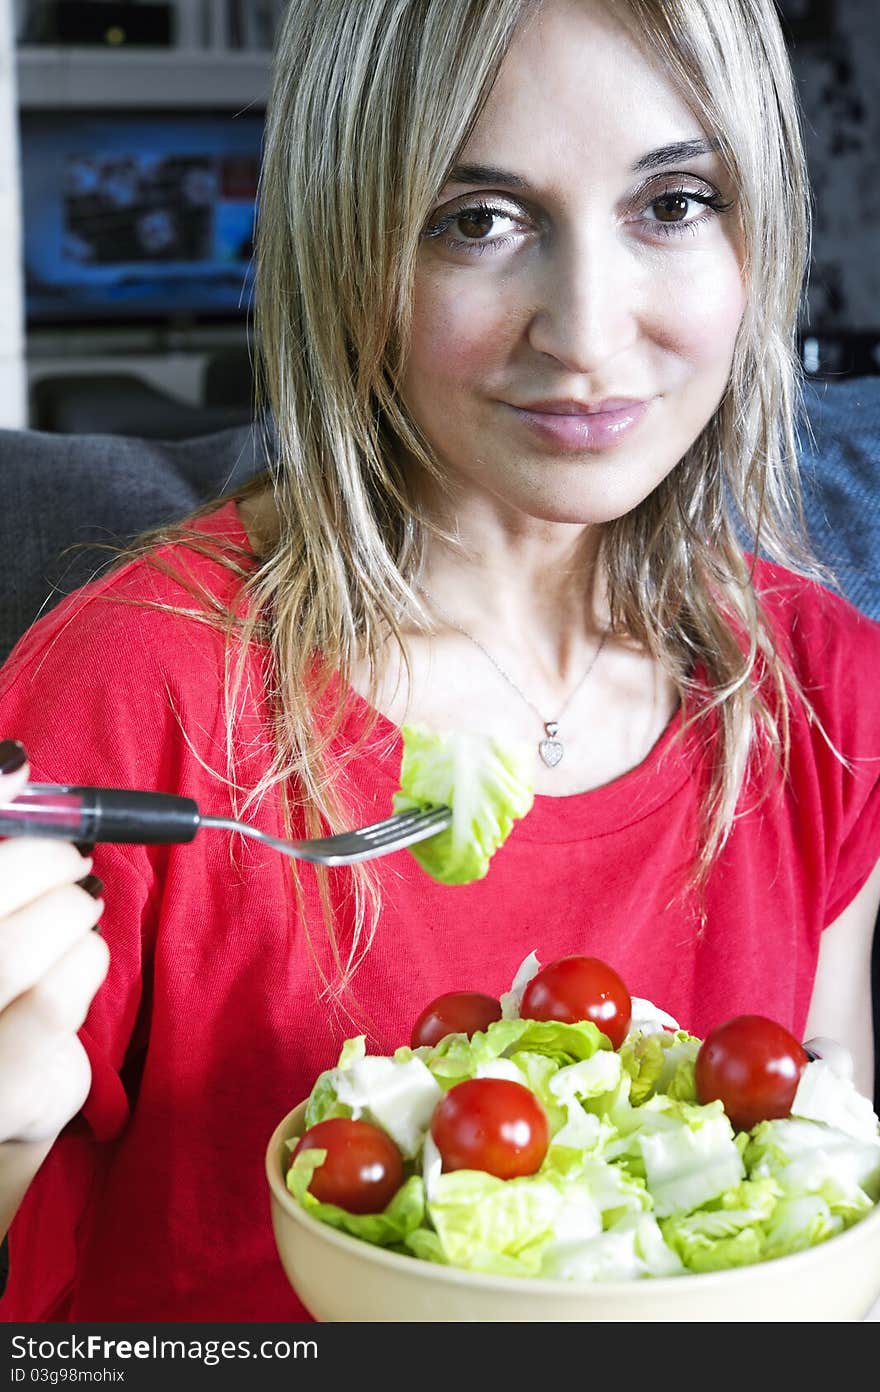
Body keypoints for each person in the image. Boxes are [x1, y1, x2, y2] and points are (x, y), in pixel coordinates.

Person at [1, 0, 878, 1322]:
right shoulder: (129, 697)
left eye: (675, 202)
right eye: (479, 219)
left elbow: (814, 1218)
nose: (587, 333)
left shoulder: (822, 695)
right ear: (347, 245)